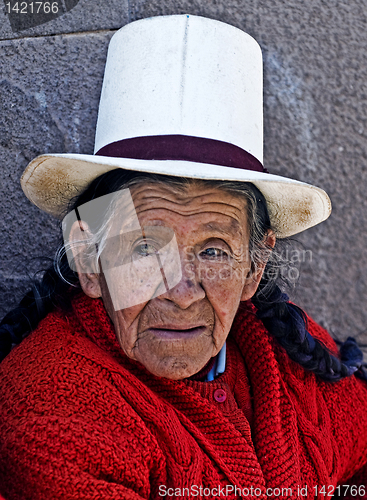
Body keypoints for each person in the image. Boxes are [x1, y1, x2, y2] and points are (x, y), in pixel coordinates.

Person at [0, 14, 366, 500]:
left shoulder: (287, 352)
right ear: (90, 260)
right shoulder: (51, 418)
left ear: (254, 267)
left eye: (213, 251)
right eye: (146, 248)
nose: (181, 291)